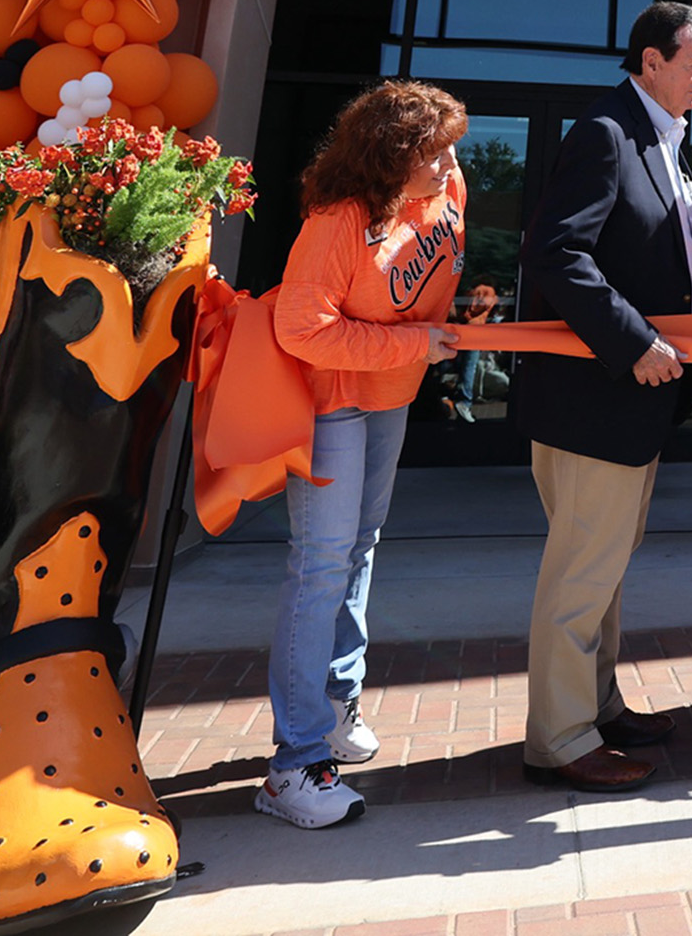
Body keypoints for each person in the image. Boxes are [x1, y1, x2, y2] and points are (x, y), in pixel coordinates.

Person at [511, 1, 692, 794]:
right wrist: (635, 341)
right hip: (596, 399)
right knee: (580, 577)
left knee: (605, 570)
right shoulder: (605, 132)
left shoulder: (666, 141)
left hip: (639, 406)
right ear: (650, 61)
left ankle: (597, 706)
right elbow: (556, 254)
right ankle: (560, 739)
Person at [262, 81, 470, 829]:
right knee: (320, 563)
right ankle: (293, 765)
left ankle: (336, 707)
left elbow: (431, 282)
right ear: (389, 156)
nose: (450, 163)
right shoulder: (339, 219)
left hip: (391, 395)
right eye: (432, 150)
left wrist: (448, 324)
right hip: (333, 401)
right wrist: (413, 342)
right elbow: (300, 328)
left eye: (451, 146)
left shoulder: (447, 190)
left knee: (360, 550)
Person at [451, 280, 500, 421]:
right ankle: (464, 401)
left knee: (463, 365)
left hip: (465, 327)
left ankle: (458, 397)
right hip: (475, 329)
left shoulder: (474, 289)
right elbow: (479, 306)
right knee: (469, 366)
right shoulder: (488, 290)